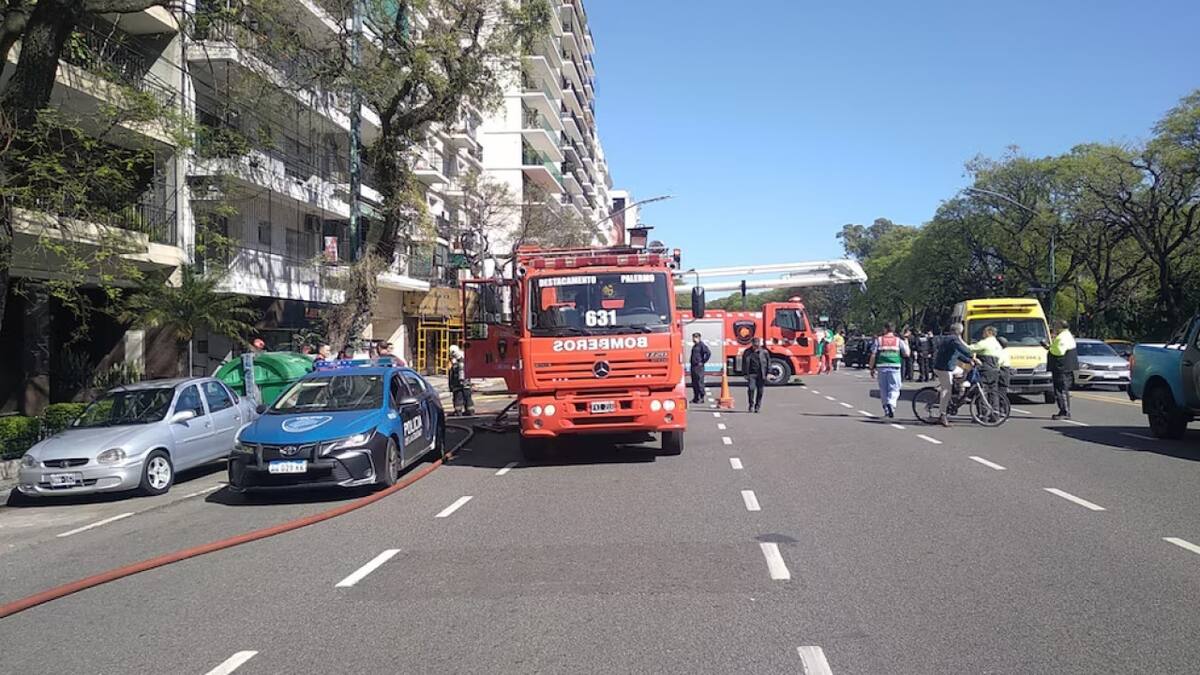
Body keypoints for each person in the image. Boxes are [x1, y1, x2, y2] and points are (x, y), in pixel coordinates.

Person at [932, 323, 977, 427]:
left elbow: (958, 354)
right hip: (943, 368)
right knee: (947, 390)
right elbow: (962, 349)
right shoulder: (953, 339)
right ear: (960, 331)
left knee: (961, 371)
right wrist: (972, 357)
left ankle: (959, 389)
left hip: (949, 367)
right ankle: (942, 415)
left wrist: (969, 361)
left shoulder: (951, 339)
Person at [869, 322, 910, 418]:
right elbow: (907, 353)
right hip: (894, 366)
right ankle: (891, 404)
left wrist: (871, 368)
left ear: (885, 329)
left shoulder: (879, 340)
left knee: (883, 389)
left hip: (881, 366)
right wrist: (906, 340)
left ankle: (886, 408)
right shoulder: (898, 340)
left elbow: (873, 355)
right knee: (895, 388)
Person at [1043, 319, 1079, 420]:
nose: (1054, 328)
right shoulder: (1067, 335)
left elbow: (1059, 351)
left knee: (1061, 389)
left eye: (1056, 326)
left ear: (1060, 327)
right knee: (1062, 389)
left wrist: (1049, 348)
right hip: (1065, 367)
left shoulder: (1062, 337)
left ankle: (1065, 412)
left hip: (1061, 367)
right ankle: (1063, 410)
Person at [969, 325, 1005, 391]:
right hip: (995, 370)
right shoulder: (998, 345)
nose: (982, 334)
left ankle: (981, 401)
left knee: (983, 389)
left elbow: (970, 348)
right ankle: (993, 401)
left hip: (985, 370)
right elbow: (1001, 360)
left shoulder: (985, 342)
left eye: (984, 332)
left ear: (989, 333)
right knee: (993, 390)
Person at [743, 337, 770, 413]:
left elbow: (768, 362)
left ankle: (757, 406)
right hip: (751, 374)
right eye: (755, 344)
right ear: (752, 344)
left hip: (761, 374)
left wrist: (768, 372)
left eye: (757, 344)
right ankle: (751, 404)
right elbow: (744, 363)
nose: (756, 346)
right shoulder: (747, 352)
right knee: (751, 389)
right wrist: (744, 373)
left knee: (760, 391)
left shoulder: (764, 352)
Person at [448, 345, 474, 416]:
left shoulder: (458, 362)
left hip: (459, 385)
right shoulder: (463, 358)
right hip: (466, 384)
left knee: (458, 399)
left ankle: (458, 412)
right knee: (468, 398)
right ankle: (470, 411)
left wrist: (459, 382)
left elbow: (459, 373)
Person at [689, 332, 711, 404]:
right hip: (693, 366)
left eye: (695, 337)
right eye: (693, 337)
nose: (693, 339)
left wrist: (703, 361)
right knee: (694, 382)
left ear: (698, 338)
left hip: (699, 367)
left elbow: (708, 353)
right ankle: (696, 397)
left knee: (699, 382)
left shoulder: (701, 345)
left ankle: (701, 397)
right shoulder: (695, 346)